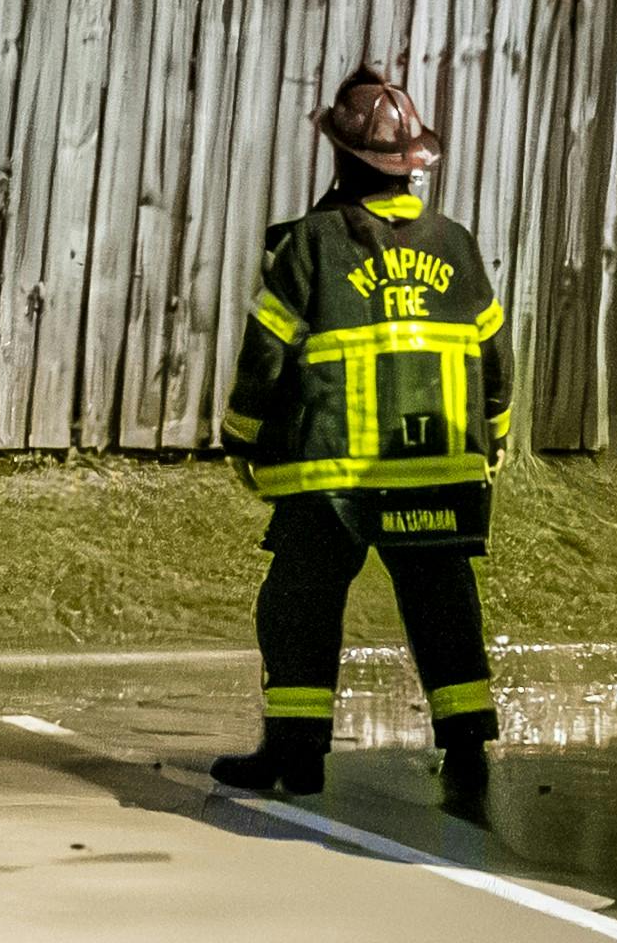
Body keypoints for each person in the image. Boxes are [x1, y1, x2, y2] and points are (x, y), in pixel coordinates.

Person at [210, 67, 513, 818]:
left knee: (298, 602)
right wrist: (495, 438)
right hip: (437, 469)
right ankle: (467, 746)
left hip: (331, 473)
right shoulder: (457, 244)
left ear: (341, 159)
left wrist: (240, 435)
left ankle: (297, 752)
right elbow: (495, 356)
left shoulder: (311, 244)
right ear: (414, 163)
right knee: (443, 604)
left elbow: (267, 352)